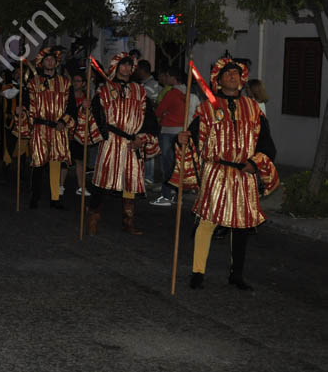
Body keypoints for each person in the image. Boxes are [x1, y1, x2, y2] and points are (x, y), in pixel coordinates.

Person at [175, 58, 278, 291]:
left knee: (241, 226)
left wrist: (254, 162)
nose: (233, 76)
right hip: (217, 172)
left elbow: (267, 145)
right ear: (218, 81)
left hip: (244, 173)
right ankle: (198, 272)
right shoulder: (207, 109)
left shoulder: (253, 108)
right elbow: (191, 137)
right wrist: (181, 140)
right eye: (228, 74)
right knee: (207, 222)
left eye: (236, 73)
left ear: (242, 80)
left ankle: (236, 275)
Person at [76, 53, 160, 235]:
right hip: (111, 141)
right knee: (102, 181)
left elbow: (148, 119)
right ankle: (93, 216)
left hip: (133, 142)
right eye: (123, 65)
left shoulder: (140, 91)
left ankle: (128, 221)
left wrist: (141, 138)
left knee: (130, 182)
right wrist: (87, 108)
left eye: (129, 65)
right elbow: (97, 115)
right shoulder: (104, 90)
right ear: (116, 67)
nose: (126, 68)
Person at [28, 47, 74, 210]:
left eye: (52, 59)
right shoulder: (34, 83)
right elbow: (29, 105)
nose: (50, 62)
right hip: (40, 128)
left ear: (56, 62)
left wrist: (63, 121)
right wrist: (22, 112)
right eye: (47, 59)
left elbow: (72, 106)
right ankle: (35, 197)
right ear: (42, 63)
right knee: (38, 164)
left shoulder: (66, 83)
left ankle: (55, 198)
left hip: (58, 129)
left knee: (56, 163)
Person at [150, 66, 198, 206]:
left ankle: (166, 195)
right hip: (183, 131)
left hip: (169, 131)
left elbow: (159, 111)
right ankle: (178, 195)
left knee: (168, 165)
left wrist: (164, 114)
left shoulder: (172, 93)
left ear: (173, 78)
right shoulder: (190, 93)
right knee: (179, 165)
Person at [65, 70, 91, 196]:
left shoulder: (87, 97)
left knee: (80, 160)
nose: (75, 83)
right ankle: (59, 186)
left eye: (78, 81)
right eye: (74, 81)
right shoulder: (66, 96)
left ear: (84, 83)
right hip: (67, 130)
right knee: (64, 159)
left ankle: (81, 187)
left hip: (80, 132)